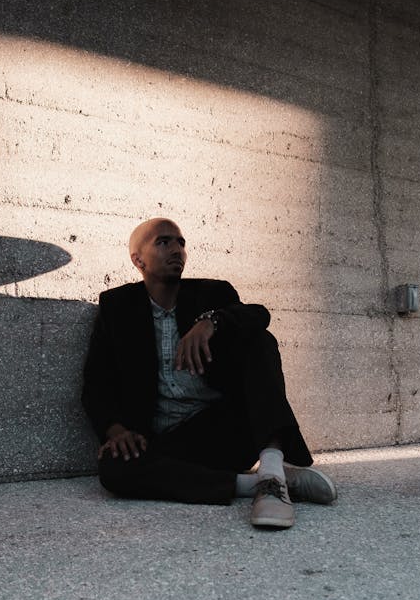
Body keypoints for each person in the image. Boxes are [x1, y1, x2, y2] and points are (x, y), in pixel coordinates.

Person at [81, 218, 337, 529]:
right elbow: (96, 382)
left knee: (260, 340)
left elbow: (259, 315)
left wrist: (209, 322)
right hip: (172, 442)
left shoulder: (211, 293)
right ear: (138, 259)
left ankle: (271, 465)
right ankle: (265, 483)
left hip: (229, 430)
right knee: (114, 469)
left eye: (181, 242)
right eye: (163, 242)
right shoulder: (117, 306)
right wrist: (115, 431)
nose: (177, 249)